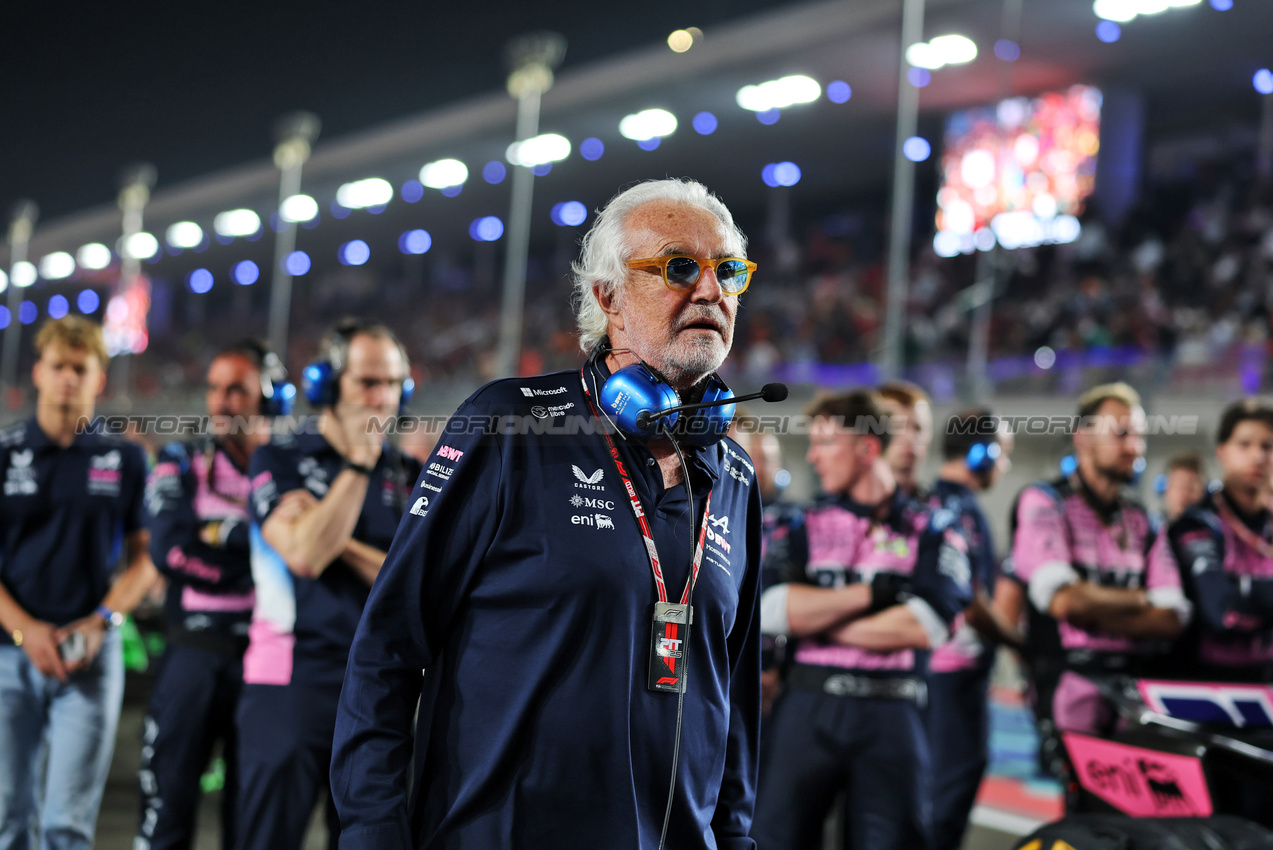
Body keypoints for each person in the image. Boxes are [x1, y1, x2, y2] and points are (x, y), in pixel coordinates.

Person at [330, 179, 763, 850]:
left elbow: (730, 692)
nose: (710, 291)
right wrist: (371, 831)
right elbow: (387, 648)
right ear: (607, 297)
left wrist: (733, 838)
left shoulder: (733, 475)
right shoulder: (509, 424)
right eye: (680, 267)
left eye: (727, 271)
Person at [752, 390, 972, 850]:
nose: (813, 456)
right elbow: (771, 610)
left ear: (867, 447)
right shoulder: (799, 524)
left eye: (826, 443)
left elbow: (926, 625)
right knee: (774, 840)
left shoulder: (935, 528)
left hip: (893, 712)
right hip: (807, 705)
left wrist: (819, 617)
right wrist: (871, 595)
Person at [237, 320, 421, 850]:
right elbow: (304, 555)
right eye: (368, 382)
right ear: (327, 386)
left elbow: (418, 583)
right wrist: (358, 465)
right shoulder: (280, 458)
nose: (381, 398)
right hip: (292, 682)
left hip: (383, 689)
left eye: (392, 384)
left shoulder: (413, 474)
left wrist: (328, 531)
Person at [0, 316, 158, 849]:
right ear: (38, 373)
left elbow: (146, 559)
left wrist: (103, 622)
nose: (68, 377)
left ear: (99, 379)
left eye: (80, 368)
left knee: (66, 827)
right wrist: (26, 631)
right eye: (58, 366)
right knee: (5, 817)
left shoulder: (126, 458)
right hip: (8, 652)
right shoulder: (4, 453)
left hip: (90, 654)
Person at [135, 340, 289, 850]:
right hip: (192, 657)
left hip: (266, 668)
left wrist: (222, 534)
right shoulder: (179, 460)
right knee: (166, 815)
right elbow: (169, 552)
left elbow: (310, 558)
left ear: (271, 399)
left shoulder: (292, 468)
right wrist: (261, 559)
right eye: (215, 389)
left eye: (237, 390)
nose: (222, 402)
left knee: (253, 826)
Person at [1002, 382, 1187, 741]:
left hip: (1134, 690)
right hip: (1068, 684)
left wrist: (1091, 604)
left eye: (1139, 435)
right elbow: (1063, 601)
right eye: (1121, 433)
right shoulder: (1044, 501)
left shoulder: (1144, 520)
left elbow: (1171, 618)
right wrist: (1138, 600)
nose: (1134, 446)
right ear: (1082, 438)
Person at [926, 409, 1019, 850]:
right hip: (955, 673)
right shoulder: (963, 510)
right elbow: (974, 600)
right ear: (983, 453)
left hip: (932, 670)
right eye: (1004, 454)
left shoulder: (929, 499)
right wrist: (1022, 643)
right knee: (949, 793)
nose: (1006, 466)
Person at [1155, 400, 1273, 683]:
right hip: (1206, 689)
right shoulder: (1195, 524)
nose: (1257, 456)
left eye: (1267, 447)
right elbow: (1225, 614)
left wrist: (1250, 592)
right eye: (1244, 445)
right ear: (1222, 452)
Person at [877, 380, 933, 499]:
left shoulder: (939, 508)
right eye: (897, 427)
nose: (910, 438)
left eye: (918, 429)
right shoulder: (844, 513)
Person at [1158, 452, 1207, 526]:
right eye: (1178, 486)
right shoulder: (1152, 530)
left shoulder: (1215, 531)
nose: (1184, 494)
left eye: (1190, 488)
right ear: (1167, 489)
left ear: (1202, 491)